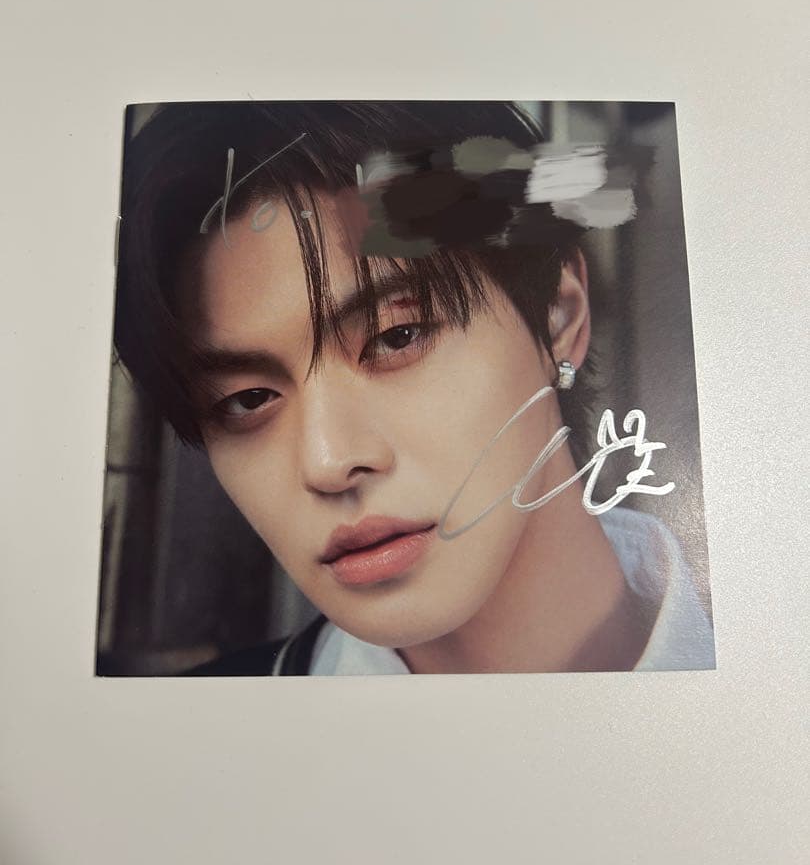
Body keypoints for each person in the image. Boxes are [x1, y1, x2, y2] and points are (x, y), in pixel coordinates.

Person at [113, 100, 714, 674]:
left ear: (557, 316)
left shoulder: (760, 668)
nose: (328, 462)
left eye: (396, 336)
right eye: (247, 399)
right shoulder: (194, 730)